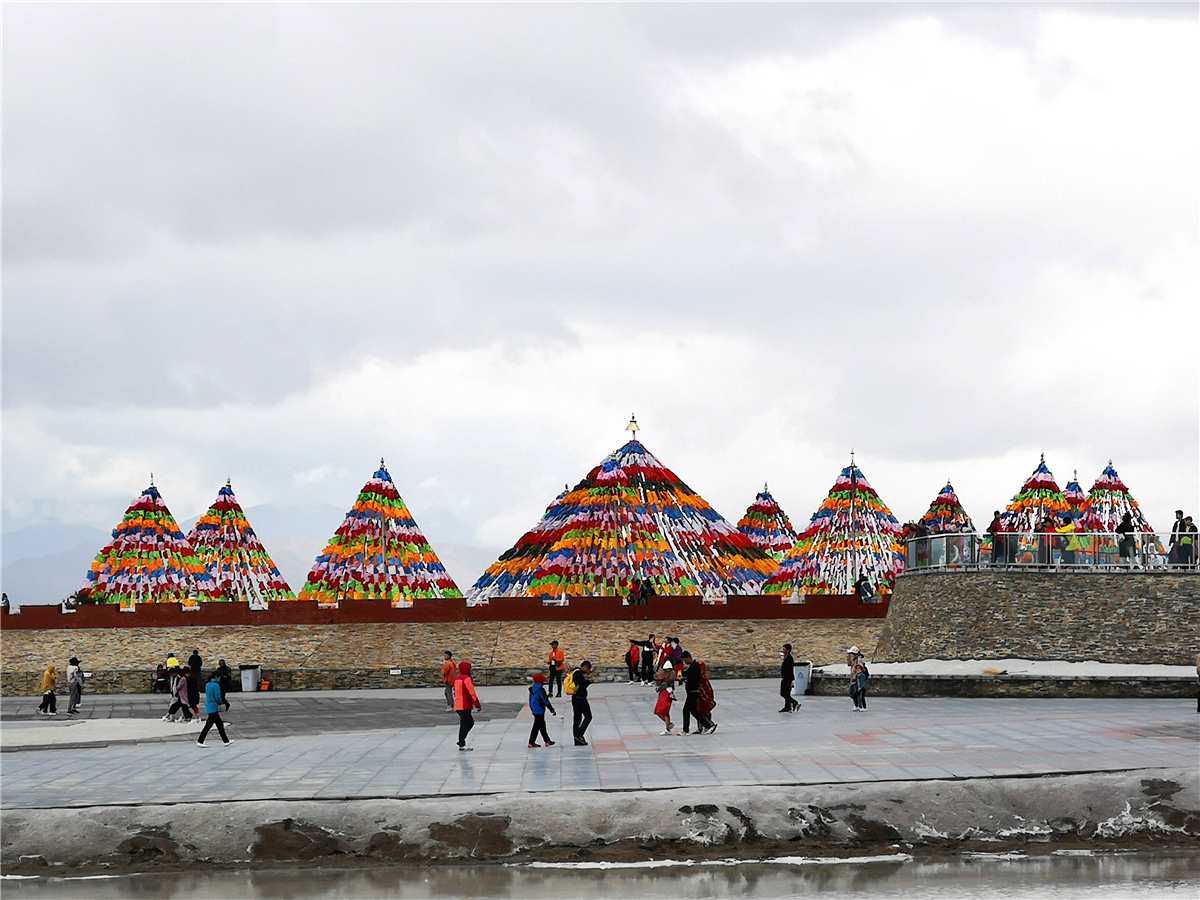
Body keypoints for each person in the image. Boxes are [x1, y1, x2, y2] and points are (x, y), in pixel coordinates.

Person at [680, 652, 715, 734]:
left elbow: (693, 680)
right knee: (694, 711)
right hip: (691, 691)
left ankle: (686, 730)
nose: (684, 662)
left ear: (688, 658)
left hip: (693, 691)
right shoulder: (692, 667)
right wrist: (680, 672)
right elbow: (686, 674)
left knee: (686, 710)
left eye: (685, 660)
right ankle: (707, 726)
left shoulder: (695, 667)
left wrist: (684, 680)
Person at [197, 672, 233, 747]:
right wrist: (221, 703)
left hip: (209, 706)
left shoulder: (208, 685)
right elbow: (217, 696)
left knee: (219, 724)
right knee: (209, 725)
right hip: (214, 707)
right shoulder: (216, 685)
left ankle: (226, 741)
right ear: (217, 677)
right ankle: (200, 741)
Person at [453, 660, 481, 751]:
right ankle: (461, 742)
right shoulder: (467, 679)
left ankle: (461, 741)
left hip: (458, 705)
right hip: (465, 705)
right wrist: (477, 704)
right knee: (467, 723)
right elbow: (471, 693)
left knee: (466, 723)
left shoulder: (457, 679)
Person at [527, 672, 557, 748]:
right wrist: (551, 709)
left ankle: (547, 741)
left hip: (534, 709)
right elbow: (545, 700)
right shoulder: (540, 689)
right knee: (537, 726)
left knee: (541, 725)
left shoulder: (532, 689)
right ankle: (531, 742)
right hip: (540, 709)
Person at [570, 660, 593, 746]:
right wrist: (588, 681)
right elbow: (582, 686)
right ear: (585, 667)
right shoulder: (579, 674)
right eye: (588, 669)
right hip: (581, 698)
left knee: (577, 719)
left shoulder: (574, 672)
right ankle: (579, 735)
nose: (588, 671)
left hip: (575, 698)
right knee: (588, 717)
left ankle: (577, 739)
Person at [653, 661, 677, 734]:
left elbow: (668, 683)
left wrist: (660, 687)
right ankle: (668, 725)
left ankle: (668, 726)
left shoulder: (672, 674)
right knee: (660, 711)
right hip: (663, 692)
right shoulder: (661, 673)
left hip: (667, 692)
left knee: (663, 710)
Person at [696, 659, 718, 734]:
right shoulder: (699, 677)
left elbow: (706, 689)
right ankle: (700, 727)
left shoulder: (703, 678)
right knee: (698, 711)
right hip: (699, 697)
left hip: (704, 697)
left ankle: (709, 724)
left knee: (704, 712)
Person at [779, 644, 799, 713]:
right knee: (783, 693)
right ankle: (792, 703)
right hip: (784, 678)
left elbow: (789, 669)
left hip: (788, 678)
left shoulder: (790, 658)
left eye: (784, 649)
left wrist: (791, 680)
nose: (782, 650)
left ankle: (788, 707)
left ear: (787, 650)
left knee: (786, 693)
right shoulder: (786, 657)